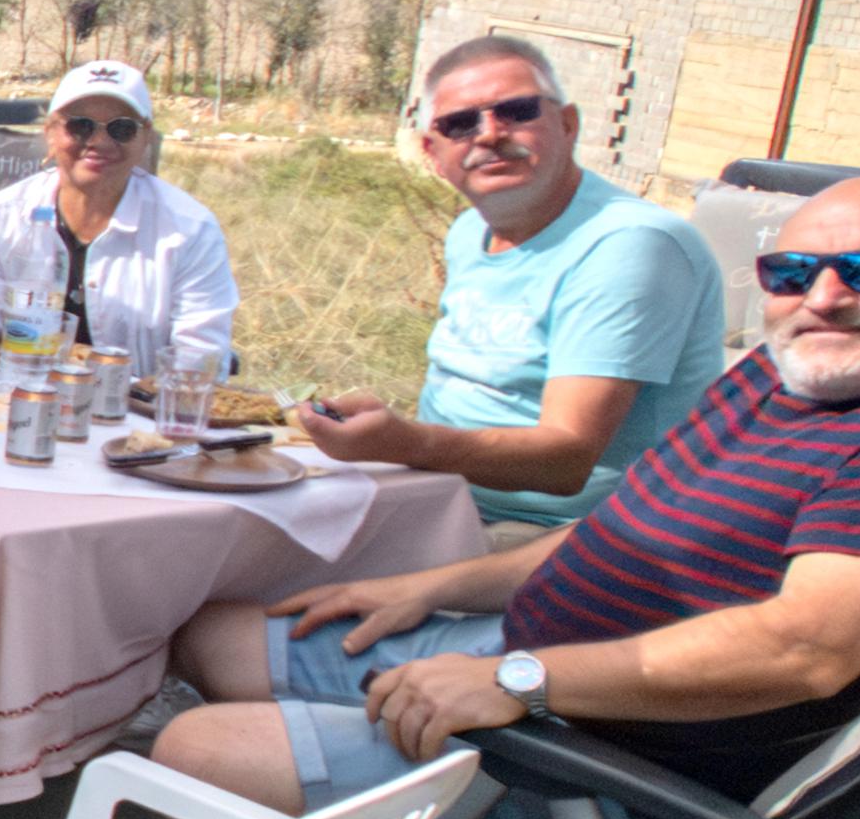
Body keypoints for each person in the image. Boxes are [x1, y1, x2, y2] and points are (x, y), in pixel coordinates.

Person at [156, 178, 860, 819]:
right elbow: (618, 524)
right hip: (549, 682)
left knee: (199, 750)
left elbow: (804, 648)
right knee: (215, 636)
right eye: (792, 271)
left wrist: (516, 682)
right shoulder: (783, 377)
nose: (823, 297)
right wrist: (423, 587)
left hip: (631, 781)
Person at [300, 34, 722, 537]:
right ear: (434, 153)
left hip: (555, 533)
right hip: (435, 493)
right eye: (460, 124)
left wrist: (407, 443)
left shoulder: (628, 245)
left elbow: (566, 463)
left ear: (568, 125)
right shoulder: (470, 232)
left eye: (517, 111)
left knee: (247, 608)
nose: (489, 134)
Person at [0, 59, 238, 379]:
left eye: (121, 128)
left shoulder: (190, 230)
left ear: (145, 139)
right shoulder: (1, 219)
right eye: (80, 125)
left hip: (137, 417)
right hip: (15, 404)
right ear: (51, 133)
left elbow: (200, 364)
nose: (99, 142)